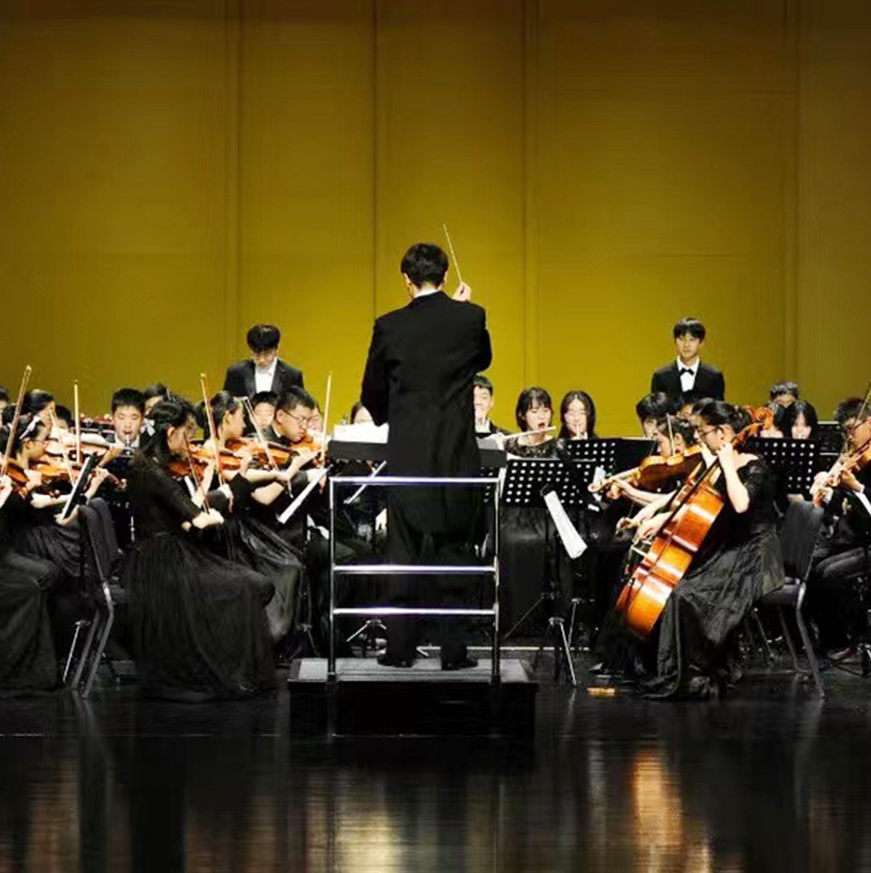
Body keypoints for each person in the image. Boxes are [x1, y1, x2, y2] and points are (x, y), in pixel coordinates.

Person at [361, 242, 491, 669]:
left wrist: (391, 416)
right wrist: (462, 311)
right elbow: (483, 358)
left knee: (403, 552)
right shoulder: (471, 317)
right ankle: (453, 652)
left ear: (406, 279)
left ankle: (400, 650)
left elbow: (372, 391)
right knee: (454, 551)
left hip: (408, 453)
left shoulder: (389, 325)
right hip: (455, 454)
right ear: (446, 275)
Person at [123, 400, 276, 699]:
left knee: (248, 584)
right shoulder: (152, 472)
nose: (190, 442)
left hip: (166, 551)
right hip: (161, 561)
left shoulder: (148, 466)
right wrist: (214, 515)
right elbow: (197, 518)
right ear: (170, 433)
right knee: (245, 586)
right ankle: (231, 671)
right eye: (187, 433)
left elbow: (181, 516)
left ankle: (234, 668)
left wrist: (205, 487)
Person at [630, 401, 783, 698]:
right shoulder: (716, 463)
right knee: (677, 587)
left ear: (723, 432)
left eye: (703, 431)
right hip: (730, 548)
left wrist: (727, 464)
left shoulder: (755, 465)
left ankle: (695, 673)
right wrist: (661, 518)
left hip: (756, 555)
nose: (698, 437)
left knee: (686, 595)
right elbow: (694, 502)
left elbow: (741, 503)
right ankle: (668, 669)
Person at [650, 317, 725, 402]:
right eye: (681, 339)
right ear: (675, 341)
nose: (686, 345)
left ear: (701, 343)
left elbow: (718, 408)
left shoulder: (713, 376)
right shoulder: (661, 376)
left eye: (692, 340)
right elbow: (656, 408)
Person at [223, 324, 304, 400]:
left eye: (267, 354)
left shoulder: (292, 375)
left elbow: (299, 406)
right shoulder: (236, 372)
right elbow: (226, 404)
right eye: (256, 354)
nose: (262, 360)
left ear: (277, 349)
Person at [504, 387, 557, 458]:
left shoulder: (558, 447)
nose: (542, 416)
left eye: (546, 411)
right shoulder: (509, 445)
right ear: (522, 415)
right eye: (534, 412)